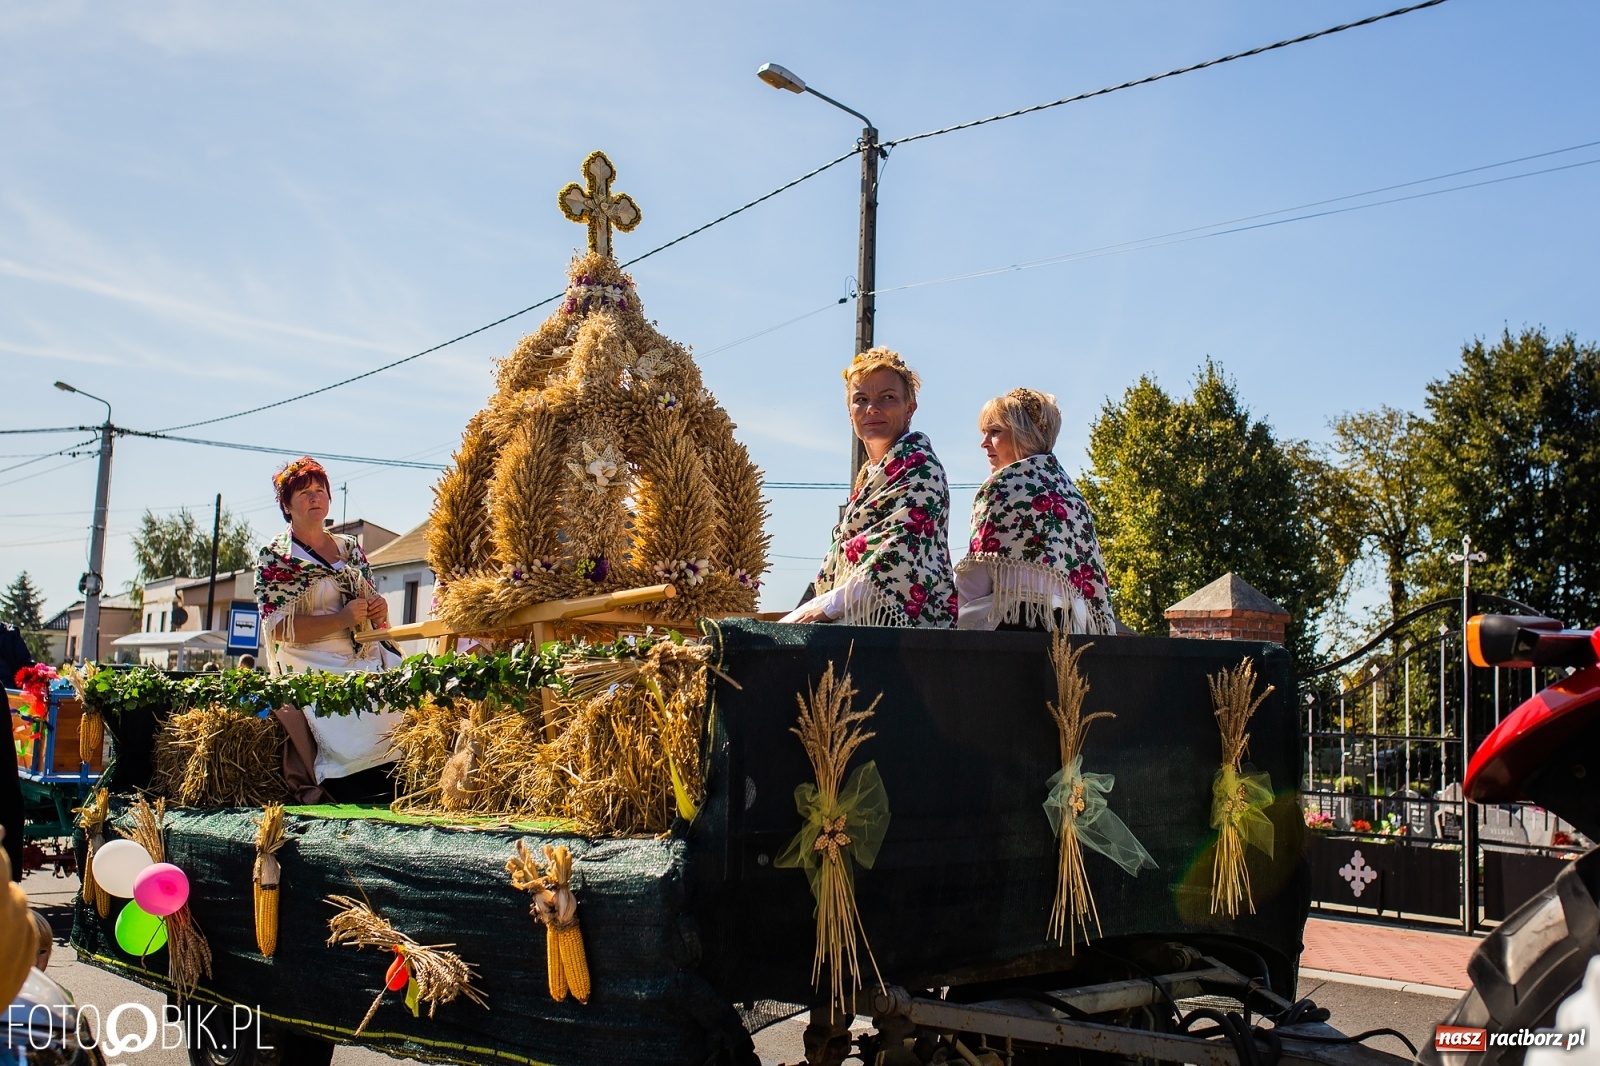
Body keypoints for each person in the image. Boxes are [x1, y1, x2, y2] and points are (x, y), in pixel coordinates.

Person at [256, 457, 402, 792]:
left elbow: (372, 612)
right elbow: (278, 628)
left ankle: (398, 777)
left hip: (362, 650)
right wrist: (340, 619)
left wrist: (378, 608)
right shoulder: (277, 557)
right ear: (287, 506)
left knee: (402, 687)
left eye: (320, 490)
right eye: (305, 492)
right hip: (309, 658)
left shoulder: (350, 550)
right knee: (355, 709)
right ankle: (351, 781)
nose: (315, 497)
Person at [782, 348, 956, 628]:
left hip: (905, 637)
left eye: (887, 397)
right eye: (860, 400)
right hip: (860, 624)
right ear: (849, 412)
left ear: (910, 407)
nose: (872, 409)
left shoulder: (921, 468)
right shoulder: (871, 476)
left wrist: (825, 607)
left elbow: (901, 554)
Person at [954, 388, 1115, 633]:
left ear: (1023, 434)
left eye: (994, 432)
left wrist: (954, 627)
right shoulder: (1073, 496)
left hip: (1010, 630)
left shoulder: (1001, 486)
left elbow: (976, 579)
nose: (984, 442)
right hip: (1070, 634)